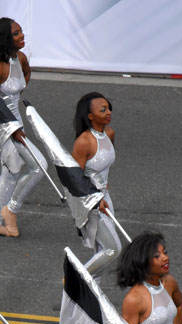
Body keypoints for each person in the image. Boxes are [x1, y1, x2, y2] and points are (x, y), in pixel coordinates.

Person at [0, 17, 46, 237]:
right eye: (17, 33)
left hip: (16, 122)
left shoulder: (20, 58)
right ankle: (11, 210)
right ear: (5, 38)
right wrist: (11, 129)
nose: (22, 36)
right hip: (2, 126)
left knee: (10, 172)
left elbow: (25, 75)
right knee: (40, 166)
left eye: (21, 32)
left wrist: (17, 94)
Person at [71, 92, 122, 282]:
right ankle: (75, 278)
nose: (108, 112)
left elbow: (105, 166)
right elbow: (74, 179)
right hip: (89, 203)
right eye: (103, 109)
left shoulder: (109, 133)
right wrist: (93, 199)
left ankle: (93, 299)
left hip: (105, 199)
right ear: (90, 116)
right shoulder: (83, 142)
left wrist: (103, 192)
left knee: (101, 252)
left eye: (109, 108)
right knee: (112, 248)